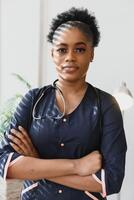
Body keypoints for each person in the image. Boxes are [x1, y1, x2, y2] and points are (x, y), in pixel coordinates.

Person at [0, 7, 127, 200]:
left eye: (79, 49)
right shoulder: (33, 100)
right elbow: (5, 164)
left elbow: (111, 180)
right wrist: (78, 166)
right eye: (62, 49)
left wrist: (36, 163)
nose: (70, 57)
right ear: (52, 54)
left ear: (91, 54)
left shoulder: (106, 106)